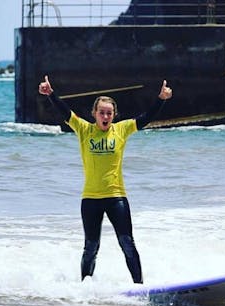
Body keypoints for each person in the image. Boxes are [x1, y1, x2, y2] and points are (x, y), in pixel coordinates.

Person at [38, 75, 172, 283]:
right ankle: (85, 288)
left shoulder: (121, 129)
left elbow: (145, 118)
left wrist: (161, 99)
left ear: (114, 115)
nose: (106, 116)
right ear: (94, 114)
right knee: (91, 247)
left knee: (127, 243)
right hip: (90, 198)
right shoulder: (84, 130)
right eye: (102, 112)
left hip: (116, 197)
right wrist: (51, 94)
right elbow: (66, 113)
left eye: (109, 113)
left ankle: (139, 287)